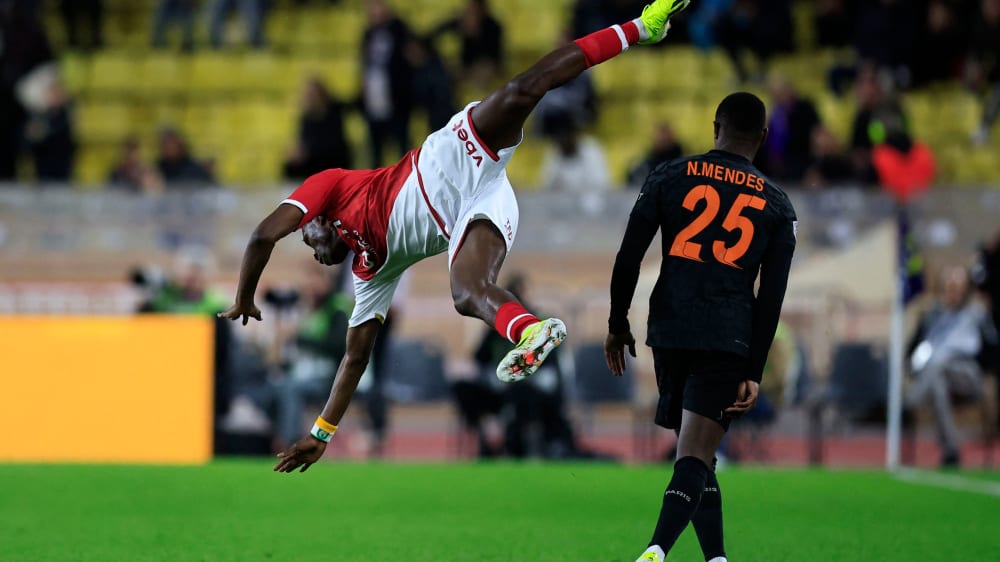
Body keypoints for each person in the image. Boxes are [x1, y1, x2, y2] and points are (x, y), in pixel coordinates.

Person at [218, 0, 693, 474]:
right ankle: (530, 330)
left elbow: (263, 236)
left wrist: (243, 297)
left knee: (526, 87)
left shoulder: (333, 185)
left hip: (455, 155)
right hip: (480, 208)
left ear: (317, 217)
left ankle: (640, 27)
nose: (310, 246)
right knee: (466, 292)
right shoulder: (370, 273)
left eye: (306, 235)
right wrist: (322, 434)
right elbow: (355, 358)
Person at [604, 92, 796, 562]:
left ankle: (717, 559)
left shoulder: (669, 175)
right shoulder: (777, 206)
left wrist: (617, 322)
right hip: (726, 335)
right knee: (695, 453)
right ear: (764, 138)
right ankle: (655, 550)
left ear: (715, 127)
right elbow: (770, 298)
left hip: (669, 327)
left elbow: (629, 255)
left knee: (699, 454)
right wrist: (755, 367)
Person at [907, 266, 998, 467]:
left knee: (939, 365)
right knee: (938, 384)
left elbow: (993, 350)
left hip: (968, 373)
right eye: (949, 288)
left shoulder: (977, 314)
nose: (953, 293)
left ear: (966, 290)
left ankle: (912, 400)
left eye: (958, 288)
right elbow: (912, 351)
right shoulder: (932, 316)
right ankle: (951, 451)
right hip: (937, 375)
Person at [282, 77, 353, 181]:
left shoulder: (334, 109)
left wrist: (308, 152)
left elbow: (332, 141)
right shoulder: (306, 117)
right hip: (315, 156)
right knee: (290, 164)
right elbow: (304, 139)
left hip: (333, 155)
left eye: (313, 92)